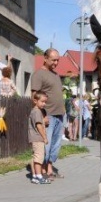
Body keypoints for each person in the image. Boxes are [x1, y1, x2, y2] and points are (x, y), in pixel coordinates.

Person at [31, 48, 66, 178]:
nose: (56, 63)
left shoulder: (56, 74)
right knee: (47, 144)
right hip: (48, 115)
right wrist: (41, 116)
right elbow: (34, 97)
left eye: (58, 60)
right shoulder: (39, 74)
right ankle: (43, 171)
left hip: (60, 115)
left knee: (56, 145)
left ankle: (50, 169)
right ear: (45, 58)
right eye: (53, 60)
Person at [29, 91, 51, 184]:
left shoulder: (35, 111)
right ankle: (39, 176)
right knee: (39, 158)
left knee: (36, 157)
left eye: (45, 102)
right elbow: (39, 126)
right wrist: (45, 137)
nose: (44, 104)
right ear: (35, 101)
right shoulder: (37, 112)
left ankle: (35, 176)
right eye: (42, 102)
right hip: (38, 138)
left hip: (35, 138)